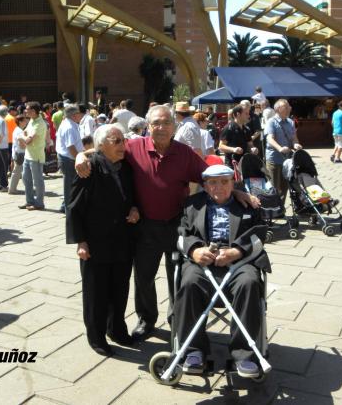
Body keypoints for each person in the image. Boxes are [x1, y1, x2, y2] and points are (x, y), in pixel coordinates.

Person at [75, 105, 259, 341]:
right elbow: (105, 148)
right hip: (145, 226)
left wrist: (237, 191)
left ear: (174, 126)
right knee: (143, 278)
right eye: (156, 123)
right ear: (148, 126)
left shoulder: (184, 153)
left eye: (166, 123)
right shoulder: (134, 147)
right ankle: (146, 319)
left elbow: (212, 177)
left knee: (179, 276)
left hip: (177, 224)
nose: (161, 128)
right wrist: (81, 155)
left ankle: (177, 320)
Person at [175, 164, 270, 378]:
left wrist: (236, 251)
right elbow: (182, 233)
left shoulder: (248, 204)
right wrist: (195, 251)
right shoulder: (191, 205)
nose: (219, 187)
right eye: (213, 183)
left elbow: (259, 234)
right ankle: (193, 350)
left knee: (249, 282)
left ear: (233, 183)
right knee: (188, 282)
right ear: (205, 186)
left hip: (239, 262)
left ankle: (244, 355)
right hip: (202, 261)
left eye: (225, 182)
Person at [66, 125, 139, 356]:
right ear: (101, 145)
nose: (122, 145)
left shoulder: (125, 166)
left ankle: (116, 329)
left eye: (123, 140)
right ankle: (96, 337)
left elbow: (132, 196)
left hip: (122, 239)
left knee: (120, 289)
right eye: (116, 141)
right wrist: (80, 241)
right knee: (96, 293)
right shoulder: (89, 168)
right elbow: (74, 207)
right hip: (95, 242)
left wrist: (135, 208)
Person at [265, 99, 301, 202]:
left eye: (289, 106)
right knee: (274, 187)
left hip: (287, 160)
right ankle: (273, 207)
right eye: (286, 107)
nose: (289, 108)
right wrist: (280, 148)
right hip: (274, 159)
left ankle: (281, 208)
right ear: (278, 109)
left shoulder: (290, 122)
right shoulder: (271, 122)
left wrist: (296, 144)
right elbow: (270, 138)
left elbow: (294, 138)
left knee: (284, 187)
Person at [19, 102, 47, 211]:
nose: (25, 111)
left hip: (36, 156)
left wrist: (21, 138)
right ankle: (29, 201)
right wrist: (23, 137)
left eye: (27, 110)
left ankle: (39, 203)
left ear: (34, 111)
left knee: (37, 181)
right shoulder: (32, 120)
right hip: (28, 155)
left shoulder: (40, 124)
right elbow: (25, 133)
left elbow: (28, 140)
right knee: (26, 179)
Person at [57, 104, 84, 214]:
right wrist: (79, 159)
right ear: (73, 115)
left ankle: (65, 206)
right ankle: (69, 212)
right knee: (70, 187)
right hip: (69, 160)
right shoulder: (69, 127)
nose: (80, 115)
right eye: (78, 113)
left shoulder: (69, 124)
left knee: (70, 185)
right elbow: (71, 147)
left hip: (67, 158)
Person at [8, 115, 28, 195]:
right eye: (24, 120)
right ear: (20, 122)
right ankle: (12, 189)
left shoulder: (18, 130)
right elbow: (21, 143)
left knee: (18, 172)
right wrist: (28, 147)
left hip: (18, 153)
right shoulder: (19, 131)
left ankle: (13, 189)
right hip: (20, 153)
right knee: (18, 172)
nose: (26, 122)